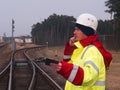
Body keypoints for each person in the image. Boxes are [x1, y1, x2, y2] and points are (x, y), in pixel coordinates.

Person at [50, 13, 112, 90]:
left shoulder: (93, 51)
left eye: (77, 29)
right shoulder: (81, 49)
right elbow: (70, 66)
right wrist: (70, 49)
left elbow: (88, 77)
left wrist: (65, 68)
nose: (74, 32)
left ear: (86, 31)